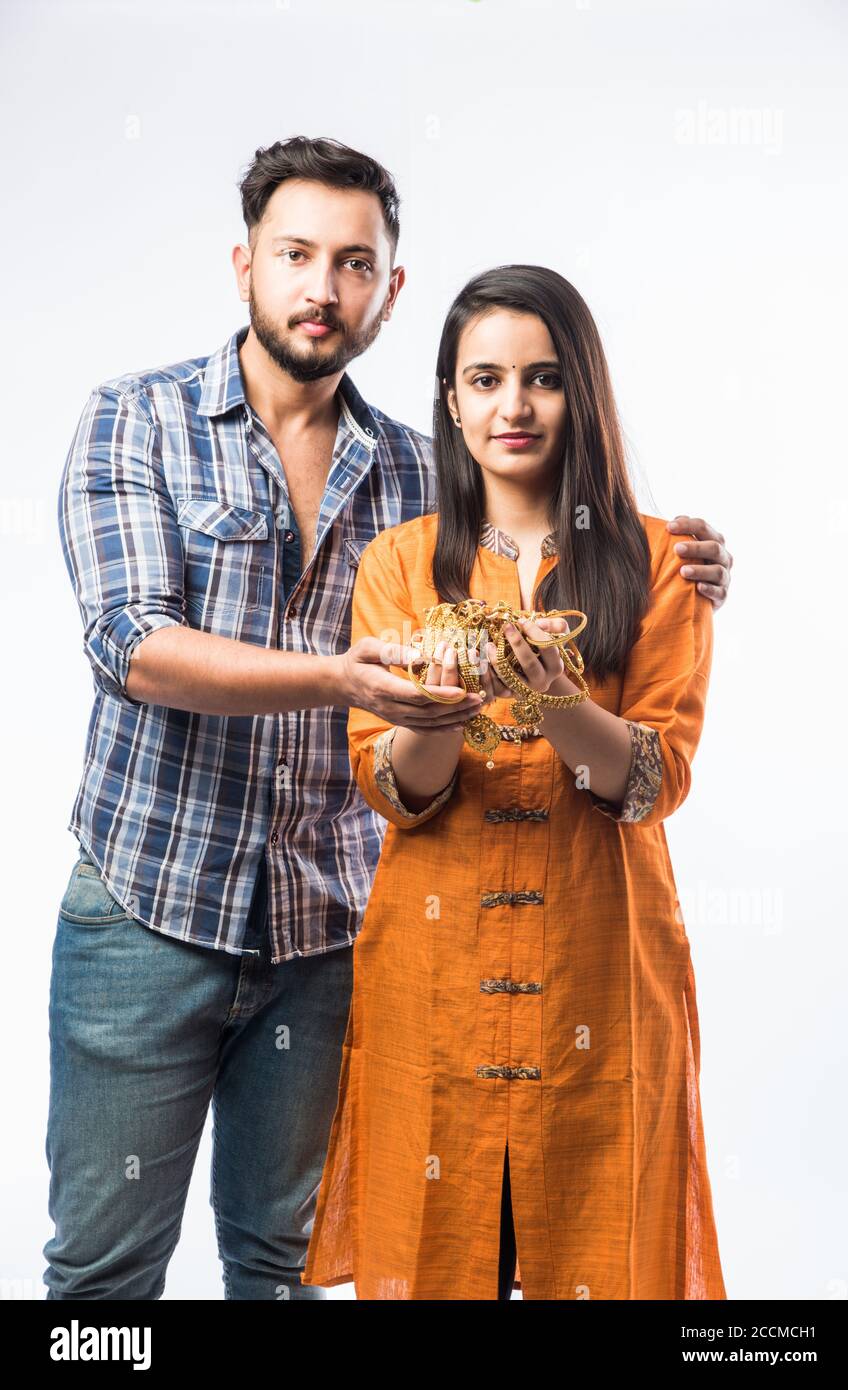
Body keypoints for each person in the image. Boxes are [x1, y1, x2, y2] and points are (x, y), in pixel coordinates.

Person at [45, 136, 733, 1300]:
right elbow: (132, 645)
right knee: (104, 1273)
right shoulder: (137, 420)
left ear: (388, 292)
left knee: (286, 1260)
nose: (324, 287)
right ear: (244, 262)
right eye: (297, 254)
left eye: (355, 263)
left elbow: (539, 513)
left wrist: (685, 555)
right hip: (148, 906)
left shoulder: (423, 476)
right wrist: (347, 680)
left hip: (325, 930)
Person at [301, 264, 728, 1300]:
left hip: (602, 966)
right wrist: (439, 715)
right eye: (484, 379)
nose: (514, 406)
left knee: (601, 1249)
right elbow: (396, 792)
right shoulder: (399, 566)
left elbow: (649, 782)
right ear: (451, 400)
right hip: (435, 976)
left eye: (541, 378)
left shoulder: (666, 563)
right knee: (441, 1250)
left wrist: (553, 700)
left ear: (581, 391)